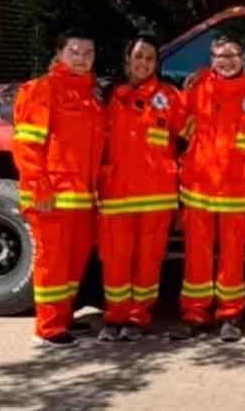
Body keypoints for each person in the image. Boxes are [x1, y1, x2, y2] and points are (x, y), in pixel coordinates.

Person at [171, 34, 245, 343]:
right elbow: (178, 120)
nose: (226, 62)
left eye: (232, 55)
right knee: (196, 256)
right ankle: (195, 313)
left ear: (243, 58)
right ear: (210, 60)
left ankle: (230, 315)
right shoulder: (197, 88)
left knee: (232, 258)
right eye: (219, 56)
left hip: (240, 191)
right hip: (200, 187)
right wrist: (197, 147)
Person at [12, 29, 105, 348]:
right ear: (59, 54)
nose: (82, 58)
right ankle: (49, 326)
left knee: (74, 261)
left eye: (88, 53)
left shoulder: (90, 93)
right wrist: (39, 187)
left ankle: (64, 317)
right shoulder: (42, 89)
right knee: (53, 261)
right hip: (51, 195)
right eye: (75, 52)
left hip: (81, 196)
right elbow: (27, 144)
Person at [97, 35, 185, 342]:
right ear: (127, 61)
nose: (144, 63)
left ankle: (138, 317)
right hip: (116, 193)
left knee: (148, 261)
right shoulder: (107, 95)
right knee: (116, 260)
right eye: (139, 57)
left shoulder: (170, 97)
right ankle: (114, 316)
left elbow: (194, 135)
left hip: (156, 195)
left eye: (150, 58)